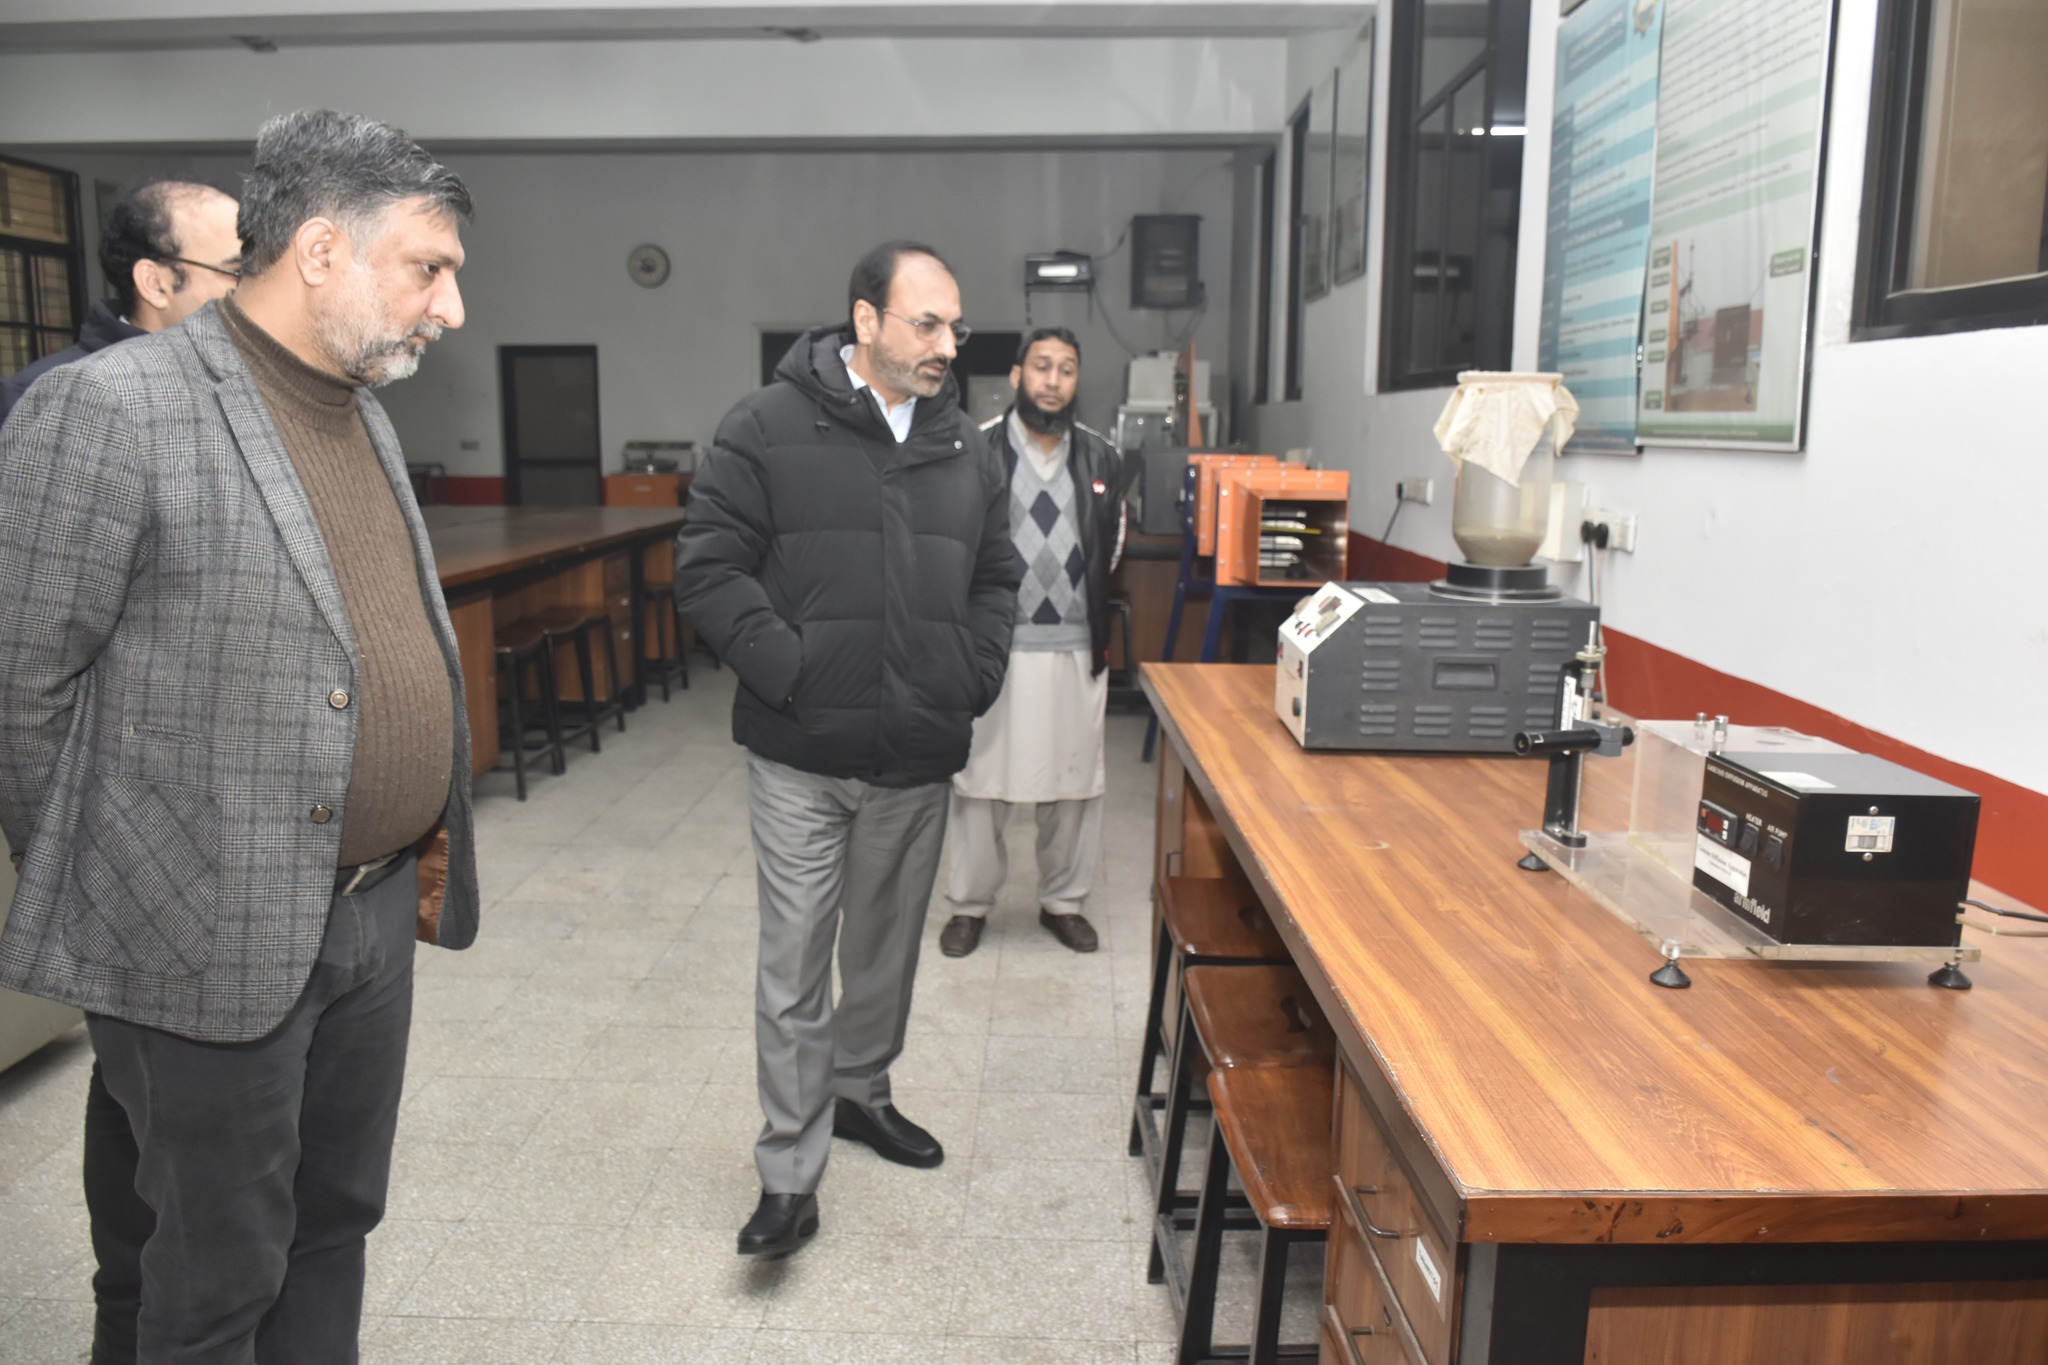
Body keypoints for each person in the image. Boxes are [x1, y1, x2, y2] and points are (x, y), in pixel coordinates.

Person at [0, 108, 478, 1365]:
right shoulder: (112, 410)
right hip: (201, 934)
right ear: (319, 250)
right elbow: (21, 687)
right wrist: (130, 897)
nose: (450, 308)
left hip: (373, 913)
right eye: (428, 269)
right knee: (214, 1276)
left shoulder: (360, 408)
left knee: (332, 1225)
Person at [675, 240, 1019, 1260]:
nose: (947, 345)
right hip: (798, 755)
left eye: (955, 326)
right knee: (793, 963)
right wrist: (787, 669)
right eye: (927, 323)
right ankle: (788, 1171)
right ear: (864, 321)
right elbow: (708, 568)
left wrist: (971, 673)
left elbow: (996, 579)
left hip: (915, 750)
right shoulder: (765, 426)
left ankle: (861, 1093)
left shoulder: (967, 448)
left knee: (880, 956)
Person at [939, 327, 1128, 958]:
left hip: (1076, 645)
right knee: (979, 783)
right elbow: (956, 542)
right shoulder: (978, 449)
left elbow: (1112, 546)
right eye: (1041, 366)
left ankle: (1062, 902)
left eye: (1067, 369)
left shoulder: (1102, 456)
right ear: (1017, 375)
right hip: (995, 647)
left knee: (1075, 783)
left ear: (1077, 381)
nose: (1053, 380)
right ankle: (969, 906)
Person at [0, 179, 242, 425]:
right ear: (155, 284)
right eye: (238, 272)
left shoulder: (249, 377)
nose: (256, 288)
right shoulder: (42, 400)